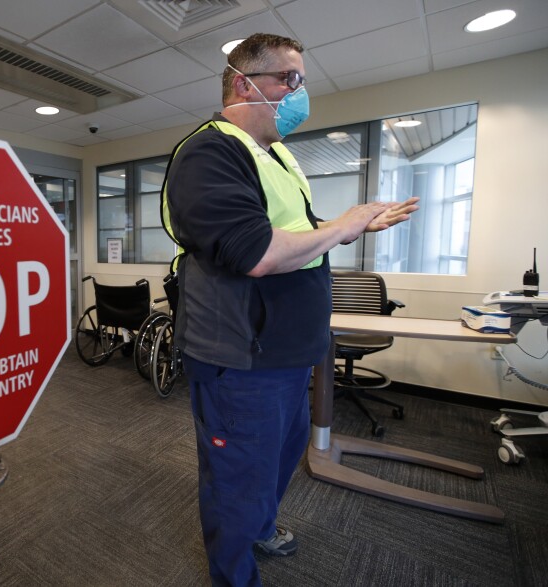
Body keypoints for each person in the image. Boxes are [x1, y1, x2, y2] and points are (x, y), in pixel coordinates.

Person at [161, 33, 419, 586]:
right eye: (289, 79)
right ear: (242, 83)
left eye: (301, 80)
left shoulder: (275, 154)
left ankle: (259, 527)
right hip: (240, 357)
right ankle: (234, 573)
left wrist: (345, 231)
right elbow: (255, 253)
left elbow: (300, 236)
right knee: (238, 477)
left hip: (288, 351)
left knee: (277, 460)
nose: (299, 93)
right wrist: (343, 225)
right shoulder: (209, 152)